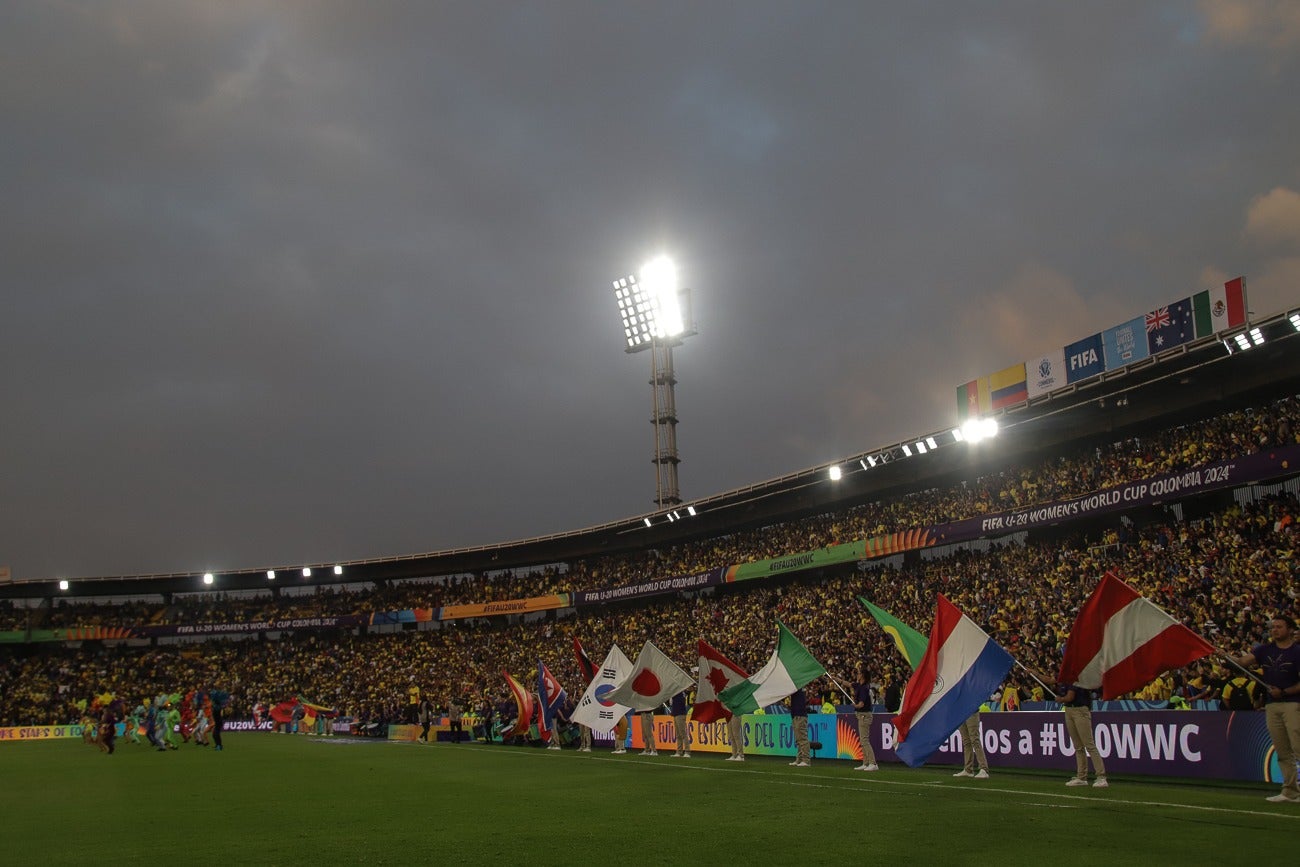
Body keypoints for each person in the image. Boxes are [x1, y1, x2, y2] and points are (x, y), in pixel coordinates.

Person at [1231, 615, 1300, 803]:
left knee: (1297, 745)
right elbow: (1244, 662)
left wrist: (1284, 692)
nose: (1275, 630)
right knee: (1283, 750)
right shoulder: (1264, 650)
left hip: (1293, 703)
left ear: (1290, 629)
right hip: (1272, 705)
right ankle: (1290, 791)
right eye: (1273, 627)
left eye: (1279, 627)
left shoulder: (1296, 652)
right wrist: (1228, 658)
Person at [1058, 681, 1106, 788]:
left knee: (1089, 745)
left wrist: (1061, 699)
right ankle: (1081, 776)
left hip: (1080, 710)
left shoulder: (1076, 677)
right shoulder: (1066, 676)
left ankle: (1101, 776)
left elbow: (1070, 696)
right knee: (1078, 746)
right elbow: (1051, 679)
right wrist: (1035, 674)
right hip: (1069, 709)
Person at [852, 665, 878, 772]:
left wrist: (855, 706)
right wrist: (837, 679)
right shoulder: (859, 685)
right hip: (861, 715)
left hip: (864, 715)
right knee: (863, 740)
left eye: (858, 673)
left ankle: (873, 763)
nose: (857, 675)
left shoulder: (864, 688)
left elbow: (861, 704)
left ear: (862, 675)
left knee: (865, 740)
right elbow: (848, 684)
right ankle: (865, 762)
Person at [952, 712, 989, 779]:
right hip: (961, 713)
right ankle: (968, 769)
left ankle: (984, 769)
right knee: (966, 741)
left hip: (972, 711)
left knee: (975, 740)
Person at [788, 687, 810, 767]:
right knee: (799, 739)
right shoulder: (797, 688)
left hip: (799, 715)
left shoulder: (797, 687)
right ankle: (799, 759)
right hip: (796, 715)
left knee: (802, 739)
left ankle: (806, 760)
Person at [670, 690, 690, 757]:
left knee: (683, 733)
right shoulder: (678, 693)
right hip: (676, 713)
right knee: (678, 734)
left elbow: (680, 703)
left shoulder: (679, 693)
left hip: (680, 714)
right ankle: (679, 751)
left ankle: (687, 751)